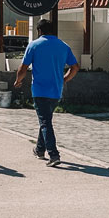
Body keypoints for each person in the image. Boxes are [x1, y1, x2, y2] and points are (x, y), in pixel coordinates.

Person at [15, 19, 79, 166]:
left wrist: (18, 81)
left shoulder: (34, 45)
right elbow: (75, 67)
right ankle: (39, 149)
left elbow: (23, 68)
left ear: (39, 31)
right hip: (56, 90)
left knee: (45, 122)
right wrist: (65, 79)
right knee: (46, 120)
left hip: (39, 90)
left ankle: (53, 154)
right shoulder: (63, 46)